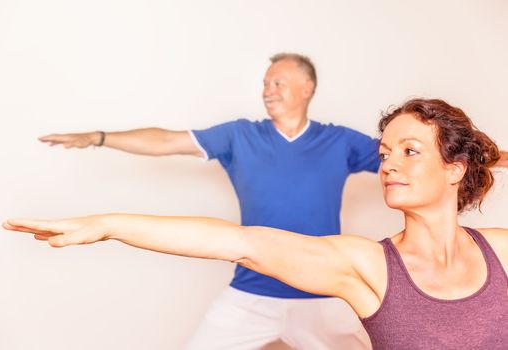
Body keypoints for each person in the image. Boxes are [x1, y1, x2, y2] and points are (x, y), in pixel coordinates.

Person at [5, 98, 508, 349]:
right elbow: (238, 242)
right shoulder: (366, 265)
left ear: (455, 168)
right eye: (383, 153)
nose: (388, 164)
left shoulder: (501, 251)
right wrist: (109, 223)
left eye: (409, 151)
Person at [38, 53, 380, 349]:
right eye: (265, 83)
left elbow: (405, 159)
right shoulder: (240, 135)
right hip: (252, 292)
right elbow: (165, 142)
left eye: (278, 82)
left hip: (323, 293)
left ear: (307, 88)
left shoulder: (340, 142)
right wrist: (99, 138)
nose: (267, 91)